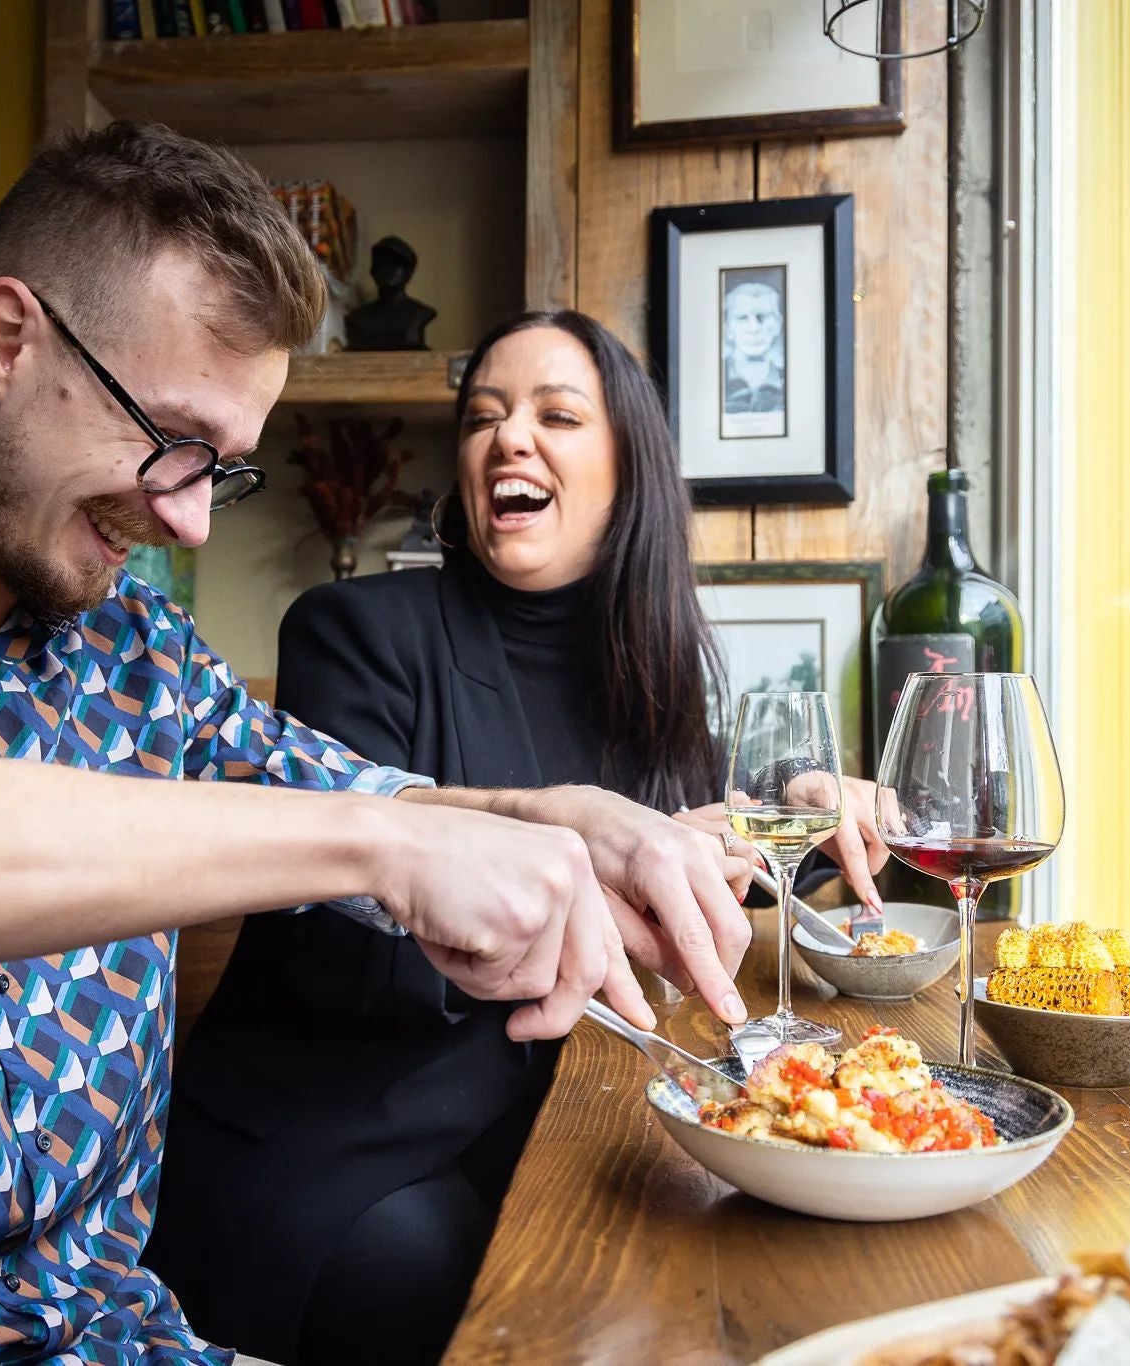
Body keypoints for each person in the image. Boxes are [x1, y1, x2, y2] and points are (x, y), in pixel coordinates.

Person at [0, 127, 759, 1363]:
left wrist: (561, 813)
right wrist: (382, 840)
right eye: (170, 440)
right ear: (6, 340)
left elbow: (357, 794)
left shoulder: (140, 653)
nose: (186, 519)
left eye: (220, 472)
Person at [150, 310, 890, 1364]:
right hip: (342, 1145)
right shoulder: (350, 631)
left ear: (628, 469)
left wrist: (805, 830)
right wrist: (592, 855)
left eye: (556, 414)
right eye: (484, 418)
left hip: (542, 1123)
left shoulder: (654, 676)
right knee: (504, 1288)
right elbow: (348, 954)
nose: (508, 439)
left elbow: (674, 888)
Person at [723, 278, 785, 415]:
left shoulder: (791, 379)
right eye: (742, 318)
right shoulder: (712, 381)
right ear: (728, 328)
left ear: (778, 324)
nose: (754, 328)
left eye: (762, 317)